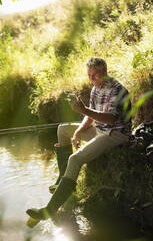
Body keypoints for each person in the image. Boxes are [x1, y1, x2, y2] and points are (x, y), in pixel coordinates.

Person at [26, 57, 132, 226]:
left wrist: (84, 109)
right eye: (89, 75)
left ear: (104, 72)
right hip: (100, 130)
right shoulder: (96, 88)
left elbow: (111, 119)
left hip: (116, 134)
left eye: (95, 74)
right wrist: (78, 131)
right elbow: (90, 116)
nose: (91, 79)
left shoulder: (117, 89)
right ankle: (64, 179)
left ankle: (48, 210)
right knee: (62, 129)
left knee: (74, 159)